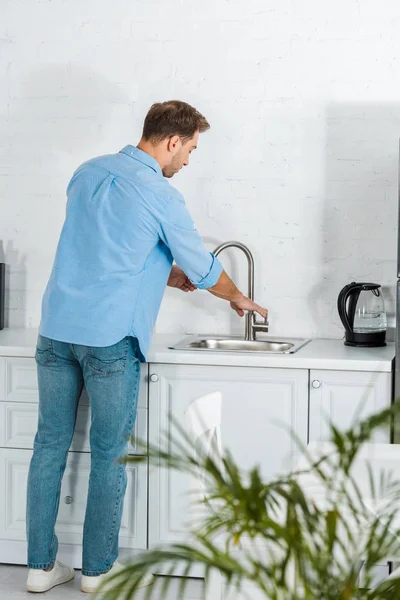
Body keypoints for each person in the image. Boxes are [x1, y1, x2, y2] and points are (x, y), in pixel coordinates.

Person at [25, 100, 268, 594]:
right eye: (191, 150)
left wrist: (165, 273)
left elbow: (108, 245)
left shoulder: (86, 173)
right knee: (110, 454)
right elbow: (203, 268)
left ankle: (38, 568)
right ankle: (96, 574)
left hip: (55, 331)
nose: (188, 162)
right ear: (172, 140)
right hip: (109, 339)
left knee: (48, 447)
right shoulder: (160, 193)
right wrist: (237, 296)